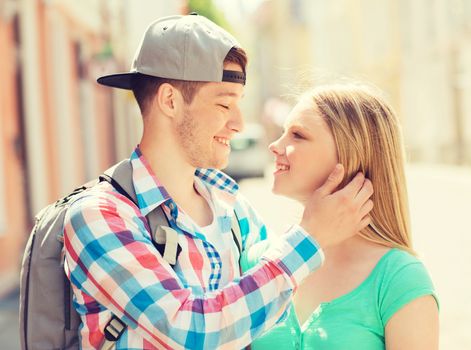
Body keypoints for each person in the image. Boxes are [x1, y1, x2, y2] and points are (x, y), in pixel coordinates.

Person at [63, 14, 373, 349]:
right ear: (170, 101)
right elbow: (193, 331)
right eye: (224, 104)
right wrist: (310, 236)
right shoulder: (100, 216)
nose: (239, 123)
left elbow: (271, 316)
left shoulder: (232, 205)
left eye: (239, 103)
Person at [244, 83, 439, 349]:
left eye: (298, 135)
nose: (275, 146)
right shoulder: (257, 261)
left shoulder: (399, 278)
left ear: (351, 153)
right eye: (282, 133)